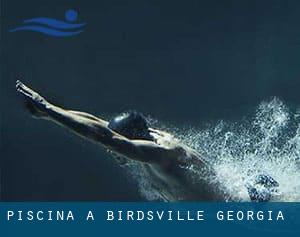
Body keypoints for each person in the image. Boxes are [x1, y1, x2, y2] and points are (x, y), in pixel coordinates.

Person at [15, 80, 278, 201]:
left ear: (132, 140)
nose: (110, 151)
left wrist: (48, 109)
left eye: (115, 146)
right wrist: (51, 113)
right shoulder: (146, 139)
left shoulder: (162, 154)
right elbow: (98, 125)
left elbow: (105, 137)